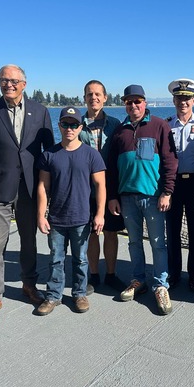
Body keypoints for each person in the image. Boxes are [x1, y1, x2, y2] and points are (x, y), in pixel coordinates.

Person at [0, 64, 54, 323]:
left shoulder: (40, 112)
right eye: (3, 80)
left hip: (30, 189)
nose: (8, 84)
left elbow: (49, 152)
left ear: (24, 84)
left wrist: (47, 187)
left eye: (13, 81)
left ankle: (29, 285)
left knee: (29, 241)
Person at [106, 84, 178, 315]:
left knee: (158, 243)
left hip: (154, 197)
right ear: (124, 104)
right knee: (134, 242)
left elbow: (170, 161)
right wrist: (113, 196)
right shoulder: (119, 131)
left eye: (137, 101)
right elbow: (112, 169)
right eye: (129, 102)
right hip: (127, 198)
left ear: (144, 103)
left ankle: (160, 285)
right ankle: (138, 280)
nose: (133, 105)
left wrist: (167, 191)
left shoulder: (159, 125)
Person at [36, 107, 106, 315]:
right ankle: (53, 296)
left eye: (74, 124)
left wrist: (100, 214)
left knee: (81, 259)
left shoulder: (91, 155)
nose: (69, 128)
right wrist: (41, 215)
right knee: (56, 259)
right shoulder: (49, 155)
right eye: (65, 124)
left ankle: (79, 293)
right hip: (57, 218)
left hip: (81, 218)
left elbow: (101, 185)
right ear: (59, 126)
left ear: (80, 127)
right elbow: (43, 187)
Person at [79, 80, 126, 292]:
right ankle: (94, 274)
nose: (94, 98)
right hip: (85, 189)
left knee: (110, 231)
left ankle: (111, 274)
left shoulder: (116, 124)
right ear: (84, 98)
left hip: (111, 188)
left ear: (105, 97)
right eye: (90, 94)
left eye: (98, 94)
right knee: (91, 232)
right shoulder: (77, 125)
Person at [165, 78, 194, 292]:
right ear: (173, 100)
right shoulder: (165, 126)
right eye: (179, 98)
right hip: (173, 185)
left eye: (187, 98)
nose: (183, 102)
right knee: (172, 232)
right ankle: (174, 273)